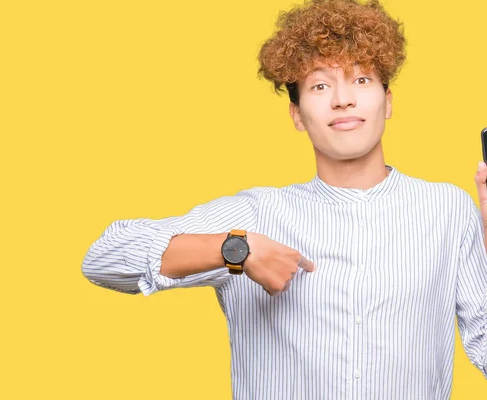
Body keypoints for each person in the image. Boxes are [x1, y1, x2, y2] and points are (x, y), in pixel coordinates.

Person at [82, 0, 487, 398]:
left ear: (388, 100)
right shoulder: (256, 214)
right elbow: (104, 258)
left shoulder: (448, 210)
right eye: (320, 85)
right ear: (296, 114)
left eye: (361, 79)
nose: (343, 98)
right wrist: (234, 249)